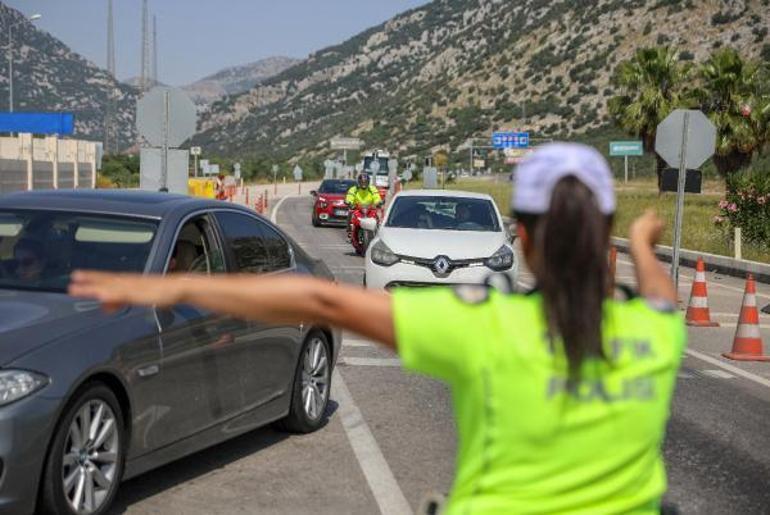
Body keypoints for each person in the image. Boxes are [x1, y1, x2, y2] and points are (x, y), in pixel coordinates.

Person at [69, 143, 683, 514]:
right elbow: (660, 296)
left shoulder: (487, 327)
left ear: (520, 237)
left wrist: (175, 285)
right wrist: (646, 247)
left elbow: (320, 300)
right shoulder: (655, 334)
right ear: (604, 238)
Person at [345, 173, 382, 240]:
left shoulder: (372, 189)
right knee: (350, 212)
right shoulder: (354, 189)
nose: (363, 184)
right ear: (359, 182)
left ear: (368, 182)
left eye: (365, 182)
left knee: (378, 214)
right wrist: (349, 202)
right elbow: (349, 196)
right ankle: (349, 231)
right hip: (356, 208)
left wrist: (378, 202)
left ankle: (379, 231)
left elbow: (376, 197)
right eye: (362, 182)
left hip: (370, 209)